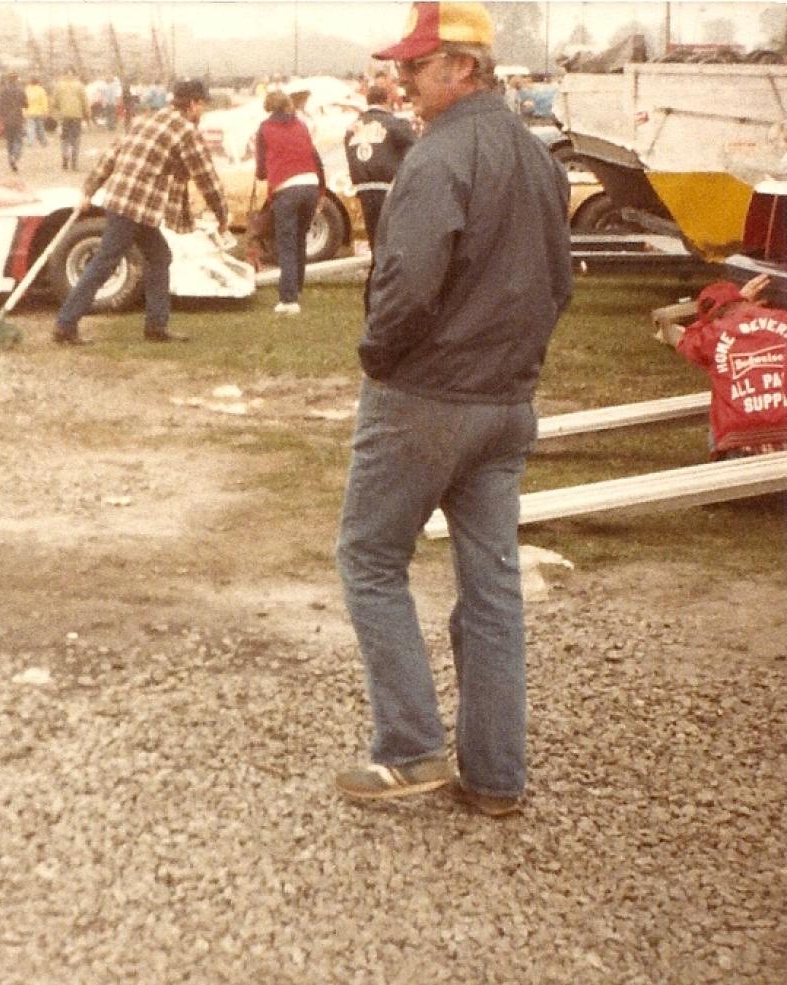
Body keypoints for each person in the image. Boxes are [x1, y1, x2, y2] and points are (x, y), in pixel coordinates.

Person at [333, 1, 572, 818]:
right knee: (493, 585)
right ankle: (497, 776)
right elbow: (561, 283)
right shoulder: (537, 157)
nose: (402, 79)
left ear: (464, 68)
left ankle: (409, 749)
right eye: (402, 65)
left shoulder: (438, 156)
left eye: (416, 65)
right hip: (505, 403)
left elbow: (406, 286)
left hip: (427, 399)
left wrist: (377, 356)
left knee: (370, 559)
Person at [52, 78, 230, 346]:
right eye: (202, 104)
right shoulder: (185, 130)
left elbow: (111, 155)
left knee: (159, 256)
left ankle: (156, 326)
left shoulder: (145, 120)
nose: (202, 111)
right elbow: (206, 177)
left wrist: (89, 190)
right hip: (135, 205)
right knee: (106, 261)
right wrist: (222, 215)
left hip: (123, 201)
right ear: (193, 104)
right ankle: (65, 324)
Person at [672, 273, 787, 458]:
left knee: (718, 414)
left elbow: (685, 340)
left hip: (738, 438)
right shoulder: (782, 318)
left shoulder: (710, 334)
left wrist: (705, 322)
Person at [254, 89, 325, 315]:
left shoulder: (265, 129)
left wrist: (264, 172)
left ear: (268, 107)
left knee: (285, 242)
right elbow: (316, 158)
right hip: (310, 184)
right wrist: (321, 190)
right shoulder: (301, 125)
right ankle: (297, 286)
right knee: (300, 238)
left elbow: (261, 169)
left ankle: (288, 299)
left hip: (286, 187)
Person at [345, 82, 416, 250]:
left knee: (375, 239)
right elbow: (416, 153)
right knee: (394, 239)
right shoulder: (396, 124)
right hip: (390, 186)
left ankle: (377, 263)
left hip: (364, 187)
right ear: (387, 100)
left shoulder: (353, 128)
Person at [51, 66, 91, 171]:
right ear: (75, 74)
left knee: (64, 138)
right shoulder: (80, 86)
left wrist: (58, 111)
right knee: (76, 139)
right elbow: (85, 102)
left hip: (64, 116)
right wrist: (88, 114)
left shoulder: (59, 86)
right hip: (77, 115)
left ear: (64, 74)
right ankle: (74, 162)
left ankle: (65, 156)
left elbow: (54, 102)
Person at [0, 72, 27, 173]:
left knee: (9, 141)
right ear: (17, 79)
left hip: (7, 119)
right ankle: (15, 156)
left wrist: (0, 117)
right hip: (18, 118)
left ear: (8, 80)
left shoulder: (3, 91)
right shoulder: (20, 90)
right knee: (18, 140)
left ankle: (10, 157)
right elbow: (26, 104)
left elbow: (0, 106)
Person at [24, 76, 50, 146]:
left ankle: (30, 141)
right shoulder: (41, 90)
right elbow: (44, 102)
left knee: (30, 127)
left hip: (29, 112)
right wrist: (45, 111)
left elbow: (24, 101)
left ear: (30, 82)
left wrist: (24, 111)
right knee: (40, 127)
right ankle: (43, 141)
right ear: (38, 82)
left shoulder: (27, 90)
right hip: (39, 112)